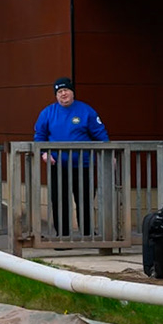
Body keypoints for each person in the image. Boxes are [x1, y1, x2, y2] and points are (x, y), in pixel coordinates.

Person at [33, 77, 109, 237]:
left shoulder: (86, 111)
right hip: (57, 166)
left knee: (85, 200)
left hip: (83, 165)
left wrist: (109, 153)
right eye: (60, 91)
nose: (63, 94)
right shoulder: (48, 113)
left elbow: (100, 134)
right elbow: (39, 136)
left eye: (66, 90)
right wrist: (44, 153)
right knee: (59, 201)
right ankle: (63, 236)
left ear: (72, 92)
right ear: (56, 95)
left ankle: (88, 234)